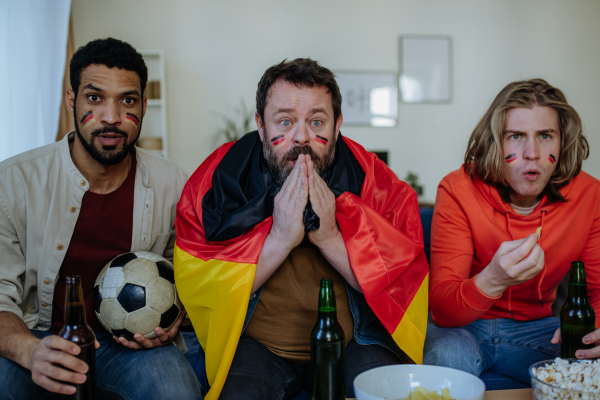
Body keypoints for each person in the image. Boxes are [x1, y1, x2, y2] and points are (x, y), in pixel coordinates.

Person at [174, 58, 429, 399]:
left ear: (337, 124)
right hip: (258, 347)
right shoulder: (218, 179)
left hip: (357, 342)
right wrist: (281, 238)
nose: (302, 137)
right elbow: (201, 285)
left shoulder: (377, 182)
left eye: (317, 121)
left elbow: (402, 282)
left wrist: (329, 237)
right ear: (260, 126)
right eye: (284, 121)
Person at [0, 38, 202, 399]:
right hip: (37, 335)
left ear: (143, 104)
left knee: (177, 391)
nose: (111, 117)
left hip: (130, 346)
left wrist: (175, 315)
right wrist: (31, 351)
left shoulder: (175, 183)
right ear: (70, 101)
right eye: (94, 98)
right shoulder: (13, 182)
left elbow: (187, 272)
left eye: (128, 100)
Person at [424, 78, 600, 389]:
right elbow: (441, 307)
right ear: (495, 142)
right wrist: (492, 280)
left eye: (545, 136)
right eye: (516, 136)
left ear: (563, 143)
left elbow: (596, 293)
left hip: (538, 328)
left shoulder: (589, 194)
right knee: (449, 358)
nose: (531, 153)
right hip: (463, 327)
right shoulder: (457, 189)